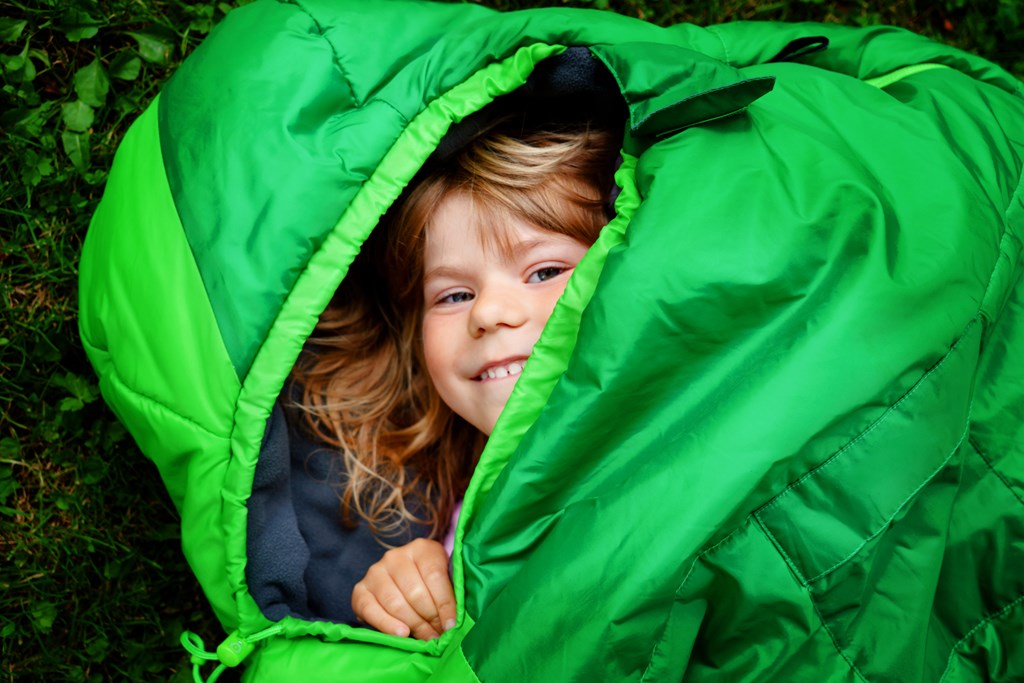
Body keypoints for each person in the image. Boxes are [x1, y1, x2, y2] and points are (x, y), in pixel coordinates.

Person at [288, 121, 622, 642]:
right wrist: (414, 581)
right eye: (454, 295)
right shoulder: (469, 514)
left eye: (544, 271)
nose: (487, 312)